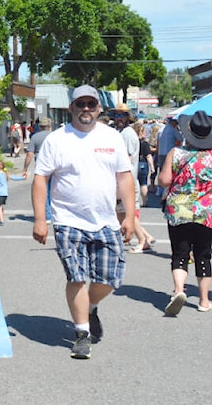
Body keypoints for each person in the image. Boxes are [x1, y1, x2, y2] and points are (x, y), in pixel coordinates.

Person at [31, 85, 135, 359]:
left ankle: (89, 307)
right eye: (80, 104)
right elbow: (40, 178)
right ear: (71, 108)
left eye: (91, 104)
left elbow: (124, 177)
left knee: (109, 279)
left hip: (106, 221)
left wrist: (130, 216)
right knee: (77, 276)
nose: (86, 109)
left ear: (99, 108)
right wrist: (41, 219)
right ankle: (81, 333)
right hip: (68, 220)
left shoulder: (112, 137)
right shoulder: (57, 140)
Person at [158, 111, 212, 315]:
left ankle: (178, 291)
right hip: (207, 211)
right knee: (203, 254)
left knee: (180, 253)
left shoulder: (176, 154)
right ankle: (204, 300)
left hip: (179, 209)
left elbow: (164, 180)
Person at [110, 105, 155, 253]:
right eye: (116, 116)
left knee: (129, 213)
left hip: (127, 181)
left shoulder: (127, 135)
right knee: (121, 213)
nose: (119, 118)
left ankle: (143, 241)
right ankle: (140, 238)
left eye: (122, 115)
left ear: (128, 117)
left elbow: (127, 159)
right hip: (121, 181)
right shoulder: (121, 133)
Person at [156, 116, 182, 197]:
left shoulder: (162, 129)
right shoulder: (173, 130)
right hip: (169, 153)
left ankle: (159, 190)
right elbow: (180, 138)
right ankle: (165, 190)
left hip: (161, 152)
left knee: (161, 171)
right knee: (168, 172)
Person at [135, 121, 155, 208]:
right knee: (143, 183)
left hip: (134, 163)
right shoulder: (145, 143)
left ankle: (134, 200)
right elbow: (148, 156)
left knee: (133, 183)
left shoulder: (133, 141)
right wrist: (152, 167)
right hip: (143, 164)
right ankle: (144, 201)